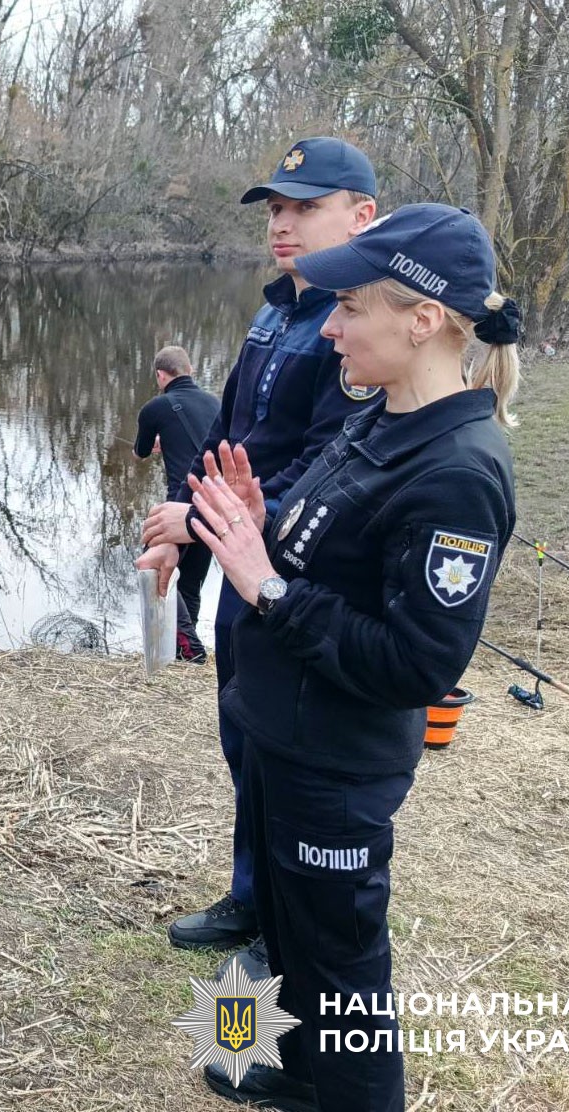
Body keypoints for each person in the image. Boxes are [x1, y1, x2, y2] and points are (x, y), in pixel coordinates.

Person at [173, 203, 519, 1111]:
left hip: (336, 762)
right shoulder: (376, 419)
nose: (328, 328)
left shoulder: (455, 471)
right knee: (289, 937)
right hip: (281, 733)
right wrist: (258, 525)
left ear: (423, 320)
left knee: (342, 963)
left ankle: (358, 1094)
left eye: (350, 309)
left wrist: (266, 585)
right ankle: (310, 1078)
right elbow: (325, 545)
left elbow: (414, 665)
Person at [137, 138, 384, 972]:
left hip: (296, 576)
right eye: (276, 209)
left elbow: (330, 472)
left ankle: (286, 922)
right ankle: (252, 895)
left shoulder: (357, 324)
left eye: (304, 207)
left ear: (361, 216)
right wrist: (185, 519)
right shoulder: (276, 308)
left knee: (283, 753)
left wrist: (204, 524)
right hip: (237, 567)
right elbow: (225, 435)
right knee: (242, 738)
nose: (282, 224)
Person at [133, 346, 220, 662]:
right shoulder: (215, 403)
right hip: (215, 505)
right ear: (190, 369)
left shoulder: (155, 407)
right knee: (191, 583)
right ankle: (183, 655)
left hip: (180, 505)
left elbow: (141, 451)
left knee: (153, 564)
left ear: (160, 375)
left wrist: (154, 444)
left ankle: (190, 648)